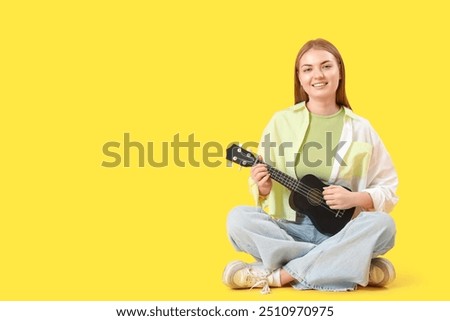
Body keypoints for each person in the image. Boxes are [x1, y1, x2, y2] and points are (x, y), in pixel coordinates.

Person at [223, 38, 399, 294]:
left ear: (339, 70)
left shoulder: (362, 128)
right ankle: (351, 264)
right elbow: (260, 191)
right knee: (237, 218)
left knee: (383, 225)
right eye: (308, 69)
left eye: (326, 66)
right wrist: (262, 187)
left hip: (343, 231)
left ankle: (277, 276)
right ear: (300, 78)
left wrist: (354, 198)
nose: (318, 75)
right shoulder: (280, 122)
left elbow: (389, 189)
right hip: (289, 229)